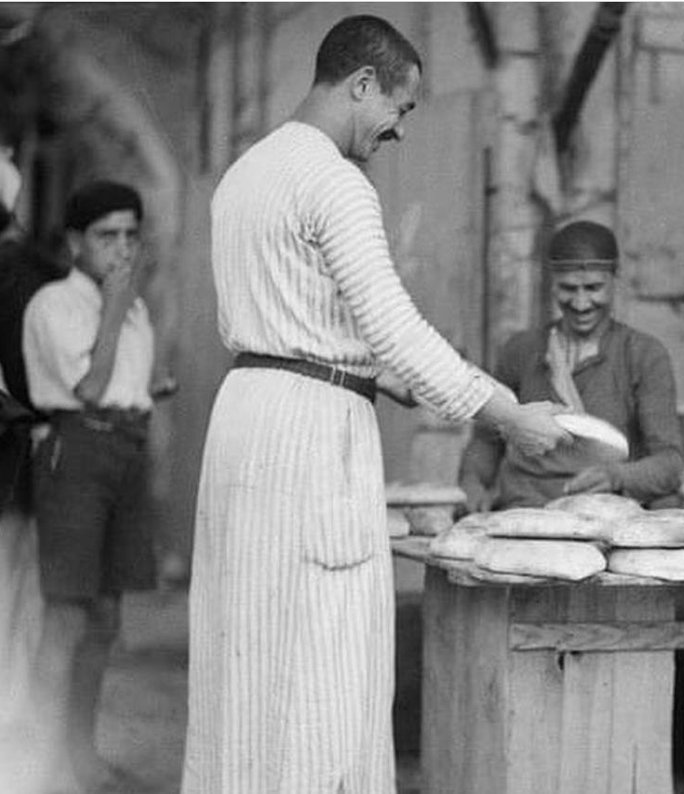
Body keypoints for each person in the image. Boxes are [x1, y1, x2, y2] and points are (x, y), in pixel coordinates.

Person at [182, 15, 569, 794]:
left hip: (248, 417)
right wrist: (503, 411)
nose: (398, 130)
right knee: (325, 664)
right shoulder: (335, 181)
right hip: (308, 438)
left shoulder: (245, 173)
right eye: (400, 107)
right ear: (361, 85)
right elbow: (393, 325)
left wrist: (373, 373)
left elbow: (296, 322)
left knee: (246, 653)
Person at [21, 180, 161, 793]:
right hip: (75, 453)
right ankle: (44, 767)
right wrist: (112, 307)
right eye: (107, 236)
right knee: (67, 617)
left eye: (132, 235)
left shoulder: (130, 306)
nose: (122, 250)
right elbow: (86, 389)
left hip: (124, 452)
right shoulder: (55, 303)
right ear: (75, 242)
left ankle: (81, 754)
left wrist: (147, 394)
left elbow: (121, 384)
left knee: (105, 618)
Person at [458, 220, 684, 512]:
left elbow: (671, 462)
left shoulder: (644, 354)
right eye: (568, 289)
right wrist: (472, 483)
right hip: (525, 508)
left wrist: (616, 476)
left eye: (593, 288)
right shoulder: (520, 350)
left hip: (607, 512)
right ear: (551, 284)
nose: (580, 303)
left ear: (616, 281)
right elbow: (487, 440)